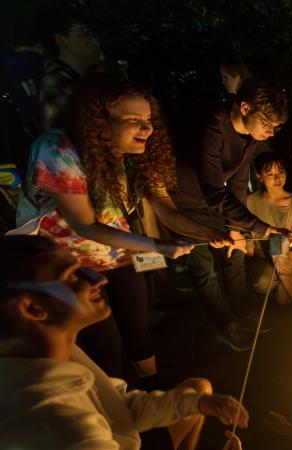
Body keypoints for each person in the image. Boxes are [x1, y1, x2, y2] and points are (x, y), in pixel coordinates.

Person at [14, 74, 230, 384]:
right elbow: (86, 225)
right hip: (66, 265)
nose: (147, 128)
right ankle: (121, 407)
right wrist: (159, 247)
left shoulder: (134, 157)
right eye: (133, 119)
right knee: (106, 344)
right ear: (98, 120)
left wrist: (211, 234)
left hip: (118, 252)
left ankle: (154, 387)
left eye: (147, 119)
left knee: (136, 324)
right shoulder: (58, 150)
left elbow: (165, 209)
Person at [0, 235, 246, 450]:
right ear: (33, 308)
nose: (98, 279)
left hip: (124, 434)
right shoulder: (70, 432)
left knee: (199, 389)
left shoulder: (53, 353)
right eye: (72, 277)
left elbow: (119, 408)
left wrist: (201, 404)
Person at [170, 77, 289, 351]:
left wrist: (237, 226)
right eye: (268, 125)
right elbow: (213, 190)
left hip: (218, 203)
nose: (271, 133)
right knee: (205, 270)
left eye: (275, 128)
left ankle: (244, 315)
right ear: (245, 108)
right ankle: (226, 326)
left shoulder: (250, 138)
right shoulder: (212, 127)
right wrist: (263, 229)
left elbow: (236, 181)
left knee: (234, 254)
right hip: (187, 203)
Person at [245, 153, 292, 304]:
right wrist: (250, 262)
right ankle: (273, 292)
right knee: (262, 280)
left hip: (287, 259)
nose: (277, 178)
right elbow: (247, 239)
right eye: (270, 174)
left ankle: (282, 291)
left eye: (280, 172)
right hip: (263, 259)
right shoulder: (250, 201)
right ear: (259, 177)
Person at [39, 13, 103, 129]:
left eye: (94, 35)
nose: (95, 42)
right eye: (84, 33)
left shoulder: (81, 79)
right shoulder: (54, 85)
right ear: (61, 40)